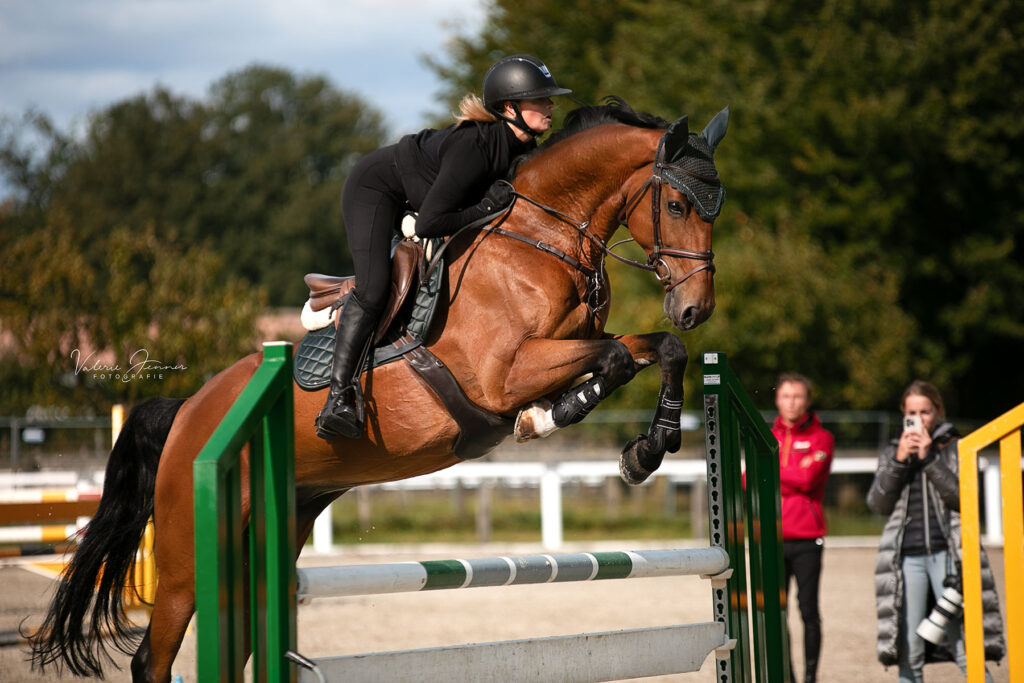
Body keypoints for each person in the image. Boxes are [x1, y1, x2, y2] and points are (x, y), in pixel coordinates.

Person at [315, 55, 572, 441]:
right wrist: (485, 208)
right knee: (373, 288)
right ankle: (338, 397)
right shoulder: (474, 148)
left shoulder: (522, 150)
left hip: (419, 196)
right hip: (375, 188)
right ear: (510, 109)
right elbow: (431, 223)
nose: (551, 106)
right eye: (541, 100)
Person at [867, 380, 1004, 682]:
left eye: (925, 411)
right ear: (903, 413)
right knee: (909, 650)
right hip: (906, 561)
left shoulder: (956, 448)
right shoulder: (893, 450)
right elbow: (877, 503)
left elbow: (964, 499)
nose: (919, 418)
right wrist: (899, 461)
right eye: (912, 412)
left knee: (965, 645)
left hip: (950, 557)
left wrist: (929, 459)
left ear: (938, 412)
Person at [772, 373, 834, 683]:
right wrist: (796, 470)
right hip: (771, 538)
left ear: (807, 401)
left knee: (808, 611)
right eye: (786, 396)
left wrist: (774, 472)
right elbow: (745, 480)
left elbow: (810, 481)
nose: (791, 402)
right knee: (776, 612)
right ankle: (788, 676)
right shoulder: (767, 435)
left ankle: (810, 677)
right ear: (777, 400)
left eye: (797, 396)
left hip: (808, 538)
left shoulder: (822, 438)